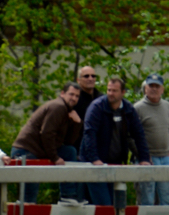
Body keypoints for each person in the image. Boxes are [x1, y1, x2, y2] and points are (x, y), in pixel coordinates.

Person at [10, 83, 83, 205]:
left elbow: (68, 142)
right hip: (26, 150)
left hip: (40, 150)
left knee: (70, 151)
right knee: (29, 198)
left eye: (77, 96)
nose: (74, 98)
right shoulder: (58, 107)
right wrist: (55, 158)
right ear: (62, 93)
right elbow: (46, 133)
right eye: (71, 94)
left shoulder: (67, 111)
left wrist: (77, 123)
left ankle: (68, 195)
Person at [81, 77, 151, 206]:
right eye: (109, 90)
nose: (111, 93)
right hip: (97, 164)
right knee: (105, 205)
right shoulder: (97, 107)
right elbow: (89, 134)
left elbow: (139, 134)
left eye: (114, 90)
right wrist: (94, 159)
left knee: (118, 205)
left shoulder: (128, 109)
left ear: (123, 92)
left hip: (117, 163)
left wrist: (144, 158)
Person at [134, 74, 169, 205]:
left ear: (162, 89)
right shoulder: (137, 108)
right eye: (151, 86)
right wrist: (142, 156)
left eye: (157, 86)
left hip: (166, 157)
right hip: (147, 158)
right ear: (145, 88)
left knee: (166, 198)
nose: (154, 89)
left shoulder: (167, 106)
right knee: (147, 198)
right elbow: (130, 136)